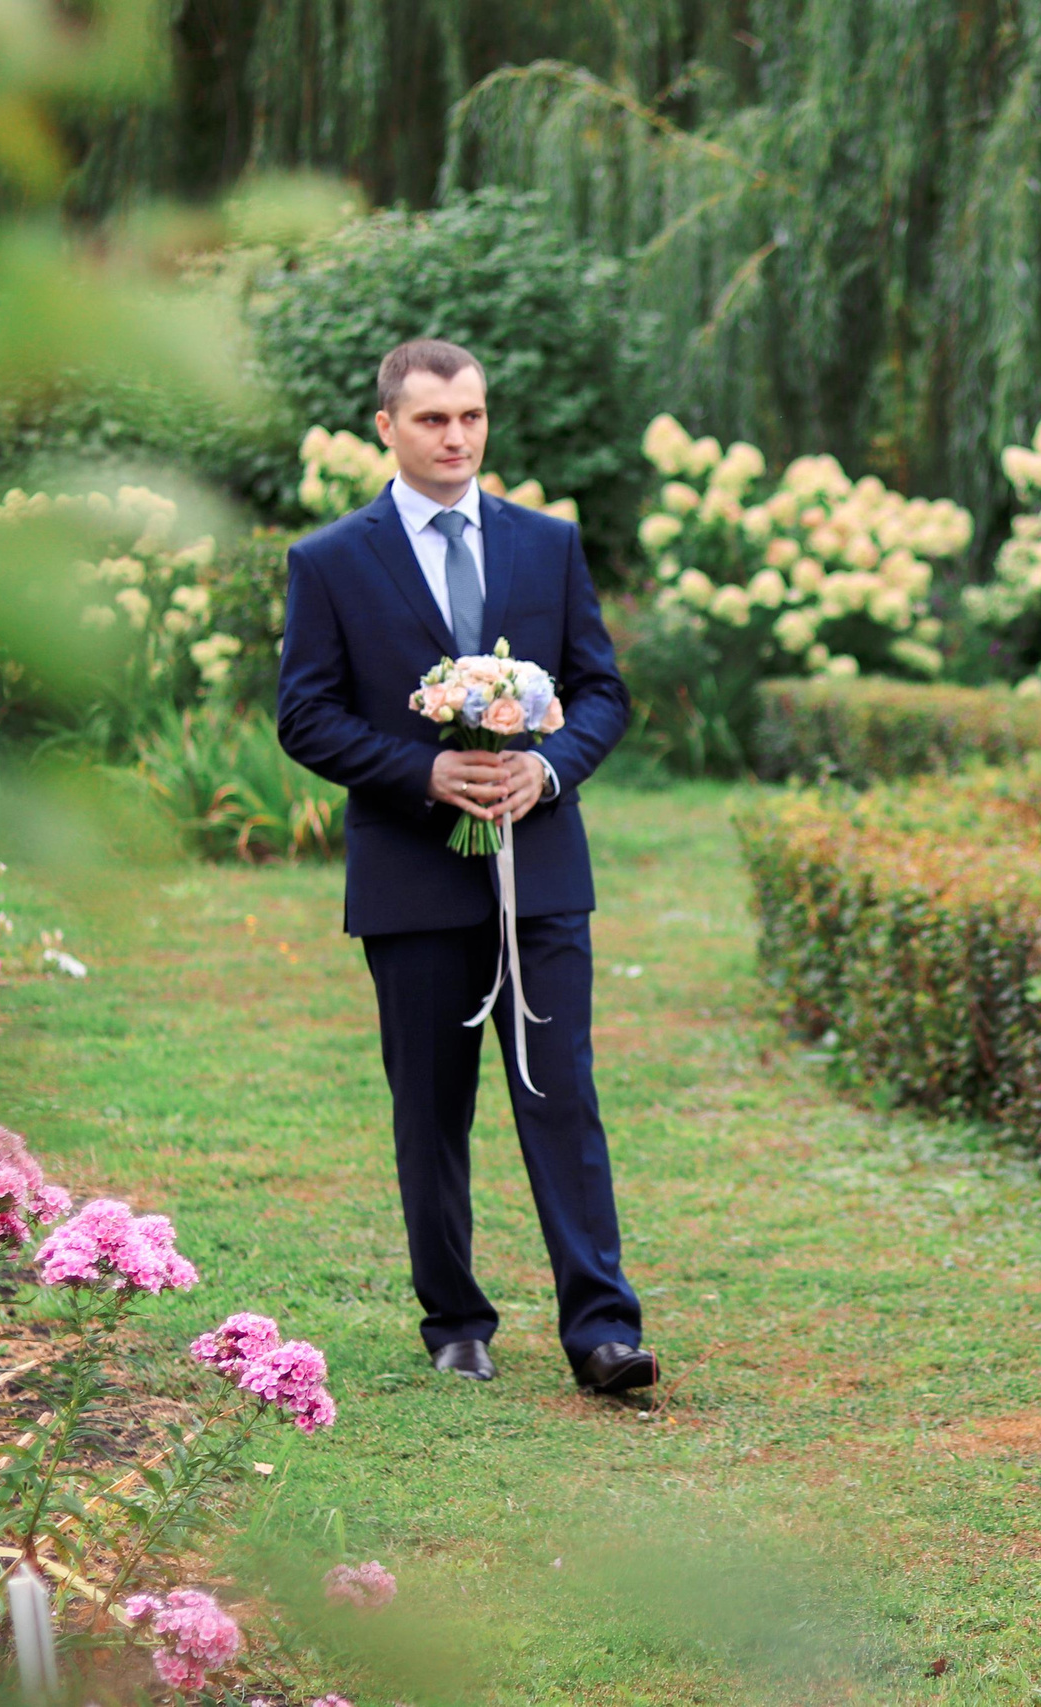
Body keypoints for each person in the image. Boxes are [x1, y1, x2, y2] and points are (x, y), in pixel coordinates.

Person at [276, 337, 657, 1396]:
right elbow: (303, 716)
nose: (456, 437)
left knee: (561, 1096)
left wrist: (550, 774)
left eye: (472, 417)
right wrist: (423, 772)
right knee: (431, 1107)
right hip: (411, 879)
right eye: (434, 419)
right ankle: (454, 1320)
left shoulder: (547, 545)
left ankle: (603, 1331)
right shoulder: (332, 561)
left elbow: (601, 693)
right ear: (387, 427)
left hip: (539, 874)